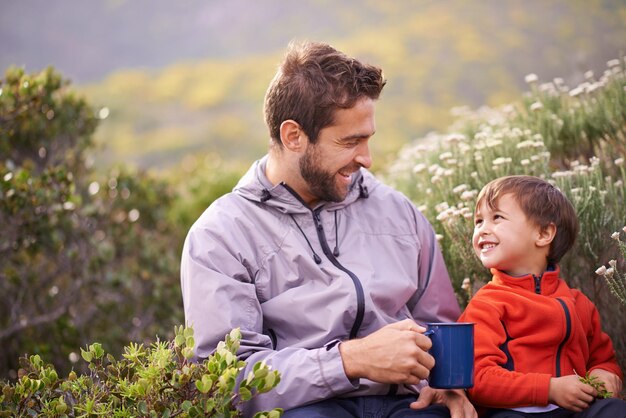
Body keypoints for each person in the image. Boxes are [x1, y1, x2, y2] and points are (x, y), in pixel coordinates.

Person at [180, 41, 476, 418]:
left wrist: (445, 383)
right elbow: (225, 381)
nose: (367, 159)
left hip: (408, 404)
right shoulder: (221, 234)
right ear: (293, 137)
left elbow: (440, 322)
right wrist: (348, 361)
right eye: (350, 142)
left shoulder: (397, 211)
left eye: (368, 139)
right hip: (304, 408)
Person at [458, 175, 625, 417]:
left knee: (615, 409)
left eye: (497, 218)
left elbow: (603, 357)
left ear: (544, 233)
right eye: (478, 221)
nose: (483, 229)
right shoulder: (486, 304)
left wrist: (605, 374)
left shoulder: (578, 303)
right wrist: (549, 389)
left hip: (575, 409)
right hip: (514, 411)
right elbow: (479, 378)